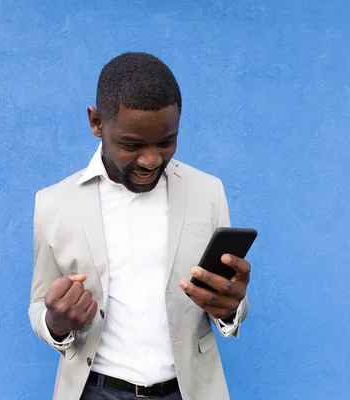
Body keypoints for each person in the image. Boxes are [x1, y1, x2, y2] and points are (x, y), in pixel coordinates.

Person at [28, 52, 252, 400]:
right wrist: (56, 323)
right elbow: (39, 303)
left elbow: (227, 295)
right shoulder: (53, 203)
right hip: (95, 391)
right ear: (97, 123)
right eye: (132, 145)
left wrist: (231, 309)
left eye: (165, 142)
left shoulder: (209, 191)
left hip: (188, 391)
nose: (151, 160)